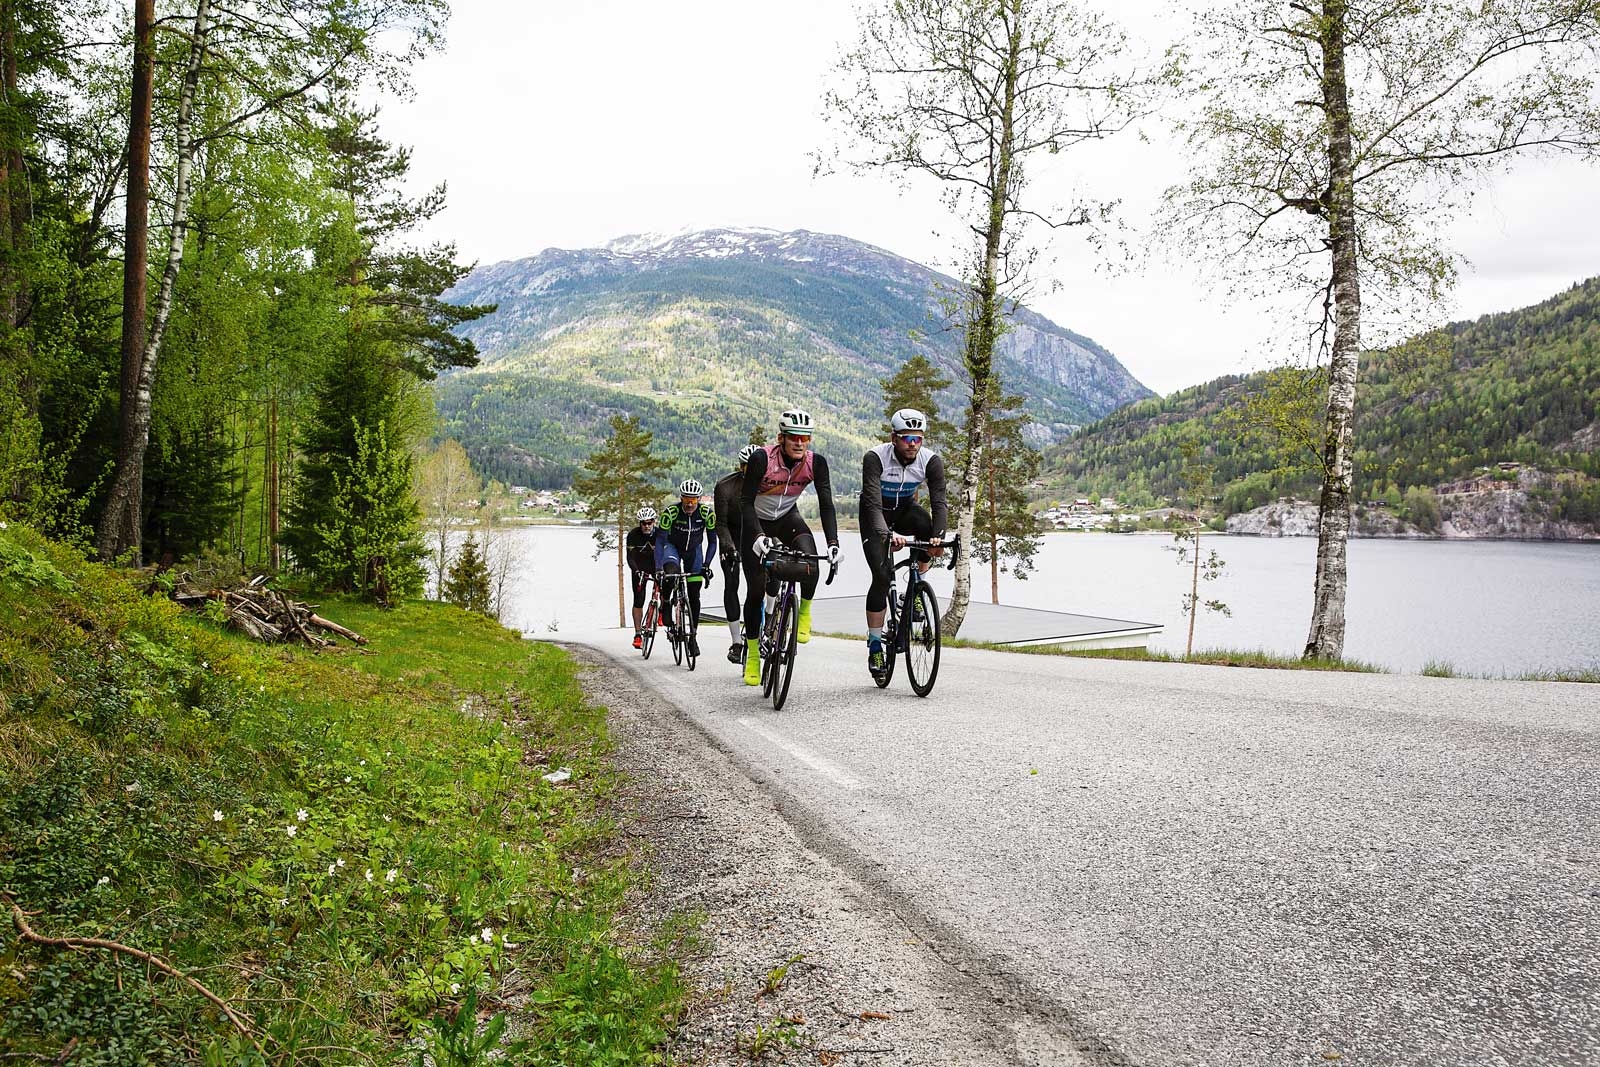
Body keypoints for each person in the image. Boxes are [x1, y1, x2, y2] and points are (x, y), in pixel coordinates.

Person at [739, 409, 840, 685]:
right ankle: (752, 654)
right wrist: (757, 536)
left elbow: (826, 505)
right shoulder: (762, 459)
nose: (799, 443)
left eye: (805, 438)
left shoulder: (816, 463)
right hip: (756, 523)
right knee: (756, 591)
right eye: (794, 437)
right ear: (781, 438)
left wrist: (833, 543)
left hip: (787, 518)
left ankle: (804, 611)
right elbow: (745, 503)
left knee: (811, 563)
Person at [860, 408, 947, 676]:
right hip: (874, 514)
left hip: (905, 511)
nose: (912, 444)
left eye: (917, 439)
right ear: (894, 438)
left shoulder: (930, 461)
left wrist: (939, 536)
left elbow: (939, 503)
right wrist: (886, 534)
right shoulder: (876, 458)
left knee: (928, 530)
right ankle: (875, 645)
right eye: (907, 438)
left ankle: (915, 590)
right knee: (882, 577)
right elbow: (873, 505)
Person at [654, 479, 717, 658]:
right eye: (687, 499)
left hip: (694, 552)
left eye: (693, 499)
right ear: (681, 498)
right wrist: (658, 568)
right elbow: (660, 541)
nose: (690, 503)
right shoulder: (671, 512)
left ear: (699, 499)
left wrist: (706, 565)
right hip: (672, 548)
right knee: (671, 575)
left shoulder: (706, 513)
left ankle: (693, 637)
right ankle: (666, 603)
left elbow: (713, 541)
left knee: (694, 594)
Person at [714, 445, 758, 664]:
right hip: (732, 536)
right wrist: (729, 548)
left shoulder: (770, 485)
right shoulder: (725, 486)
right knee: (732, 582)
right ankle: (736, 642)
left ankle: (769, 624)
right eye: (748, 466)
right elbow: (720, 524)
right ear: (741, 467)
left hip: (757, 535)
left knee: (768, 580)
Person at [626, 506, 659, 649]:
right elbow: (630, 557)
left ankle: (662, 613)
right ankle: (638, 634)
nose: (646, 526)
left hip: (655, 566)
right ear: (640, 523)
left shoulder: (659, 534)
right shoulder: (633, 534)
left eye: (649, 523)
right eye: (643, 523)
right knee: (639, 599)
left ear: (653, 522)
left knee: (666, 586)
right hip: (639, 568)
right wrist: (636, 571)